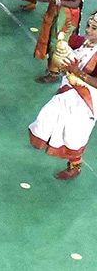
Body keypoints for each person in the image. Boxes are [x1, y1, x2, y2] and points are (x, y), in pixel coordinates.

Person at [29, 11, 97, 180]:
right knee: (48, 114)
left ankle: (75, 165)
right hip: (68, 90)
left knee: (75, 133)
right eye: (88, 26)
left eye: (94, 28)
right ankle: (45, 139)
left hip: (86, 98)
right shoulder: (85, 43)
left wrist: (78, 73)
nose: (88, 30)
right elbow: (67, 41)